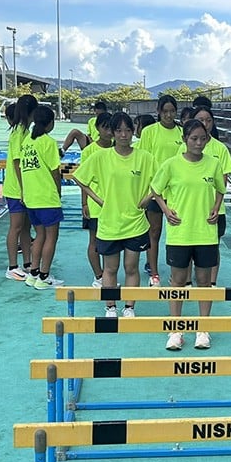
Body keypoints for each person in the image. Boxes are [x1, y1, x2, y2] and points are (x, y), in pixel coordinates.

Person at [72, 111, 157, 318]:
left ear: (134, 132)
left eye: (128, 130)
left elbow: (160, 182)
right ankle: (110, 306)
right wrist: (98, 199)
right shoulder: (100, 157)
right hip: (109, 222)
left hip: (136, 222)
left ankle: (129, 307)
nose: (123, 135)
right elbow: (79, 178)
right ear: (112, 132)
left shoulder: (145, 158)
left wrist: (145, 201)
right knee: (110, 268)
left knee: (131, 267)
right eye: (118, 130)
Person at [151, 119, 226, 351]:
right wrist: (165, 210)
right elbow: (155, 189)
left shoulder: (213, 164)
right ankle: (176, 330)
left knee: (204, 282)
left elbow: (221, 189)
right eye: (194, 138)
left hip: (205, 233)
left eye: (203, 139)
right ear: (184, 140)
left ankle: (203, 329)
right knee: (178, 282)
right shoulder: (172, 165)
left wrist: (216, 207)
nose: (199, 143)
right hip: (180, 233)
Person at [137, 95, 183, 286]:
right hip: (155, 192)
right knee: (154, 231)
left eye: (172, 111)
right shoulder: (149, 132)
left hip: (178, 192)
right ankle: (154, 273)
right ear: (158, 111)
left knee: (178, 232)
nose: (169, 115)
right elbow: (143, 160)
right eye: (165, 111)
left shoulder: (182, 132)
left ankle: (180, 274)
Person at [189, 106, 231, 285]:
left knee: (213, 246)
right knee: (191, 246)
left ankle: (212, 282)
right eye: (201, 120)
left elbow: (223, 182)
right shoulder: (186, 148)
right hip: (191, 209)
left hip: (214, 210)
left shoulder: (219, 148)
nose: (205, 124)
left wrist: (215, 207)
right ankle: (190, 279)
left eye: (208, 120)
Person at [19, 105, 64, 290]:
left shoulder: (27, 142)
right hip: (47, 197)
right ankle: (44, 276)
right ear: (50, 123)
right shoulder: (48, 142)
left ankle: (34, 273)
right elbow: (55, 172)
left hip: (31, 197)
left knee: (39, 236)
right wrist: (58, 193)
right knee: (51, 238)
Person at [3, 94, 37, 282]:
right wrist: (23, 190)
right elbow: (17, 163)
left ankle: (27, 263)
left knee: (26, 228)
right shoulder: (19, 133)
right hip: (16, 189)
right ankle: (12, 266)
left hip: (24, 188)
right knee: (16, 227)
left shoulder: (26, 131)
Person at [78, 111, 113, 287]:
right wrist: (84, 203)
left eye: (111, 128)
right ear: (97, 128)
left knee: (111, 245)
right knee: (94, 241)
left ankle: (108, 276)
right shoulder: (89, 151)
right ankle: (98, 276)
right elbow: (82, 179)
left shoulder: (118, 149)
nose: (109, 132)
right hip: (96, 205)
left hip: (115, 206)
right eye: (105, 128)